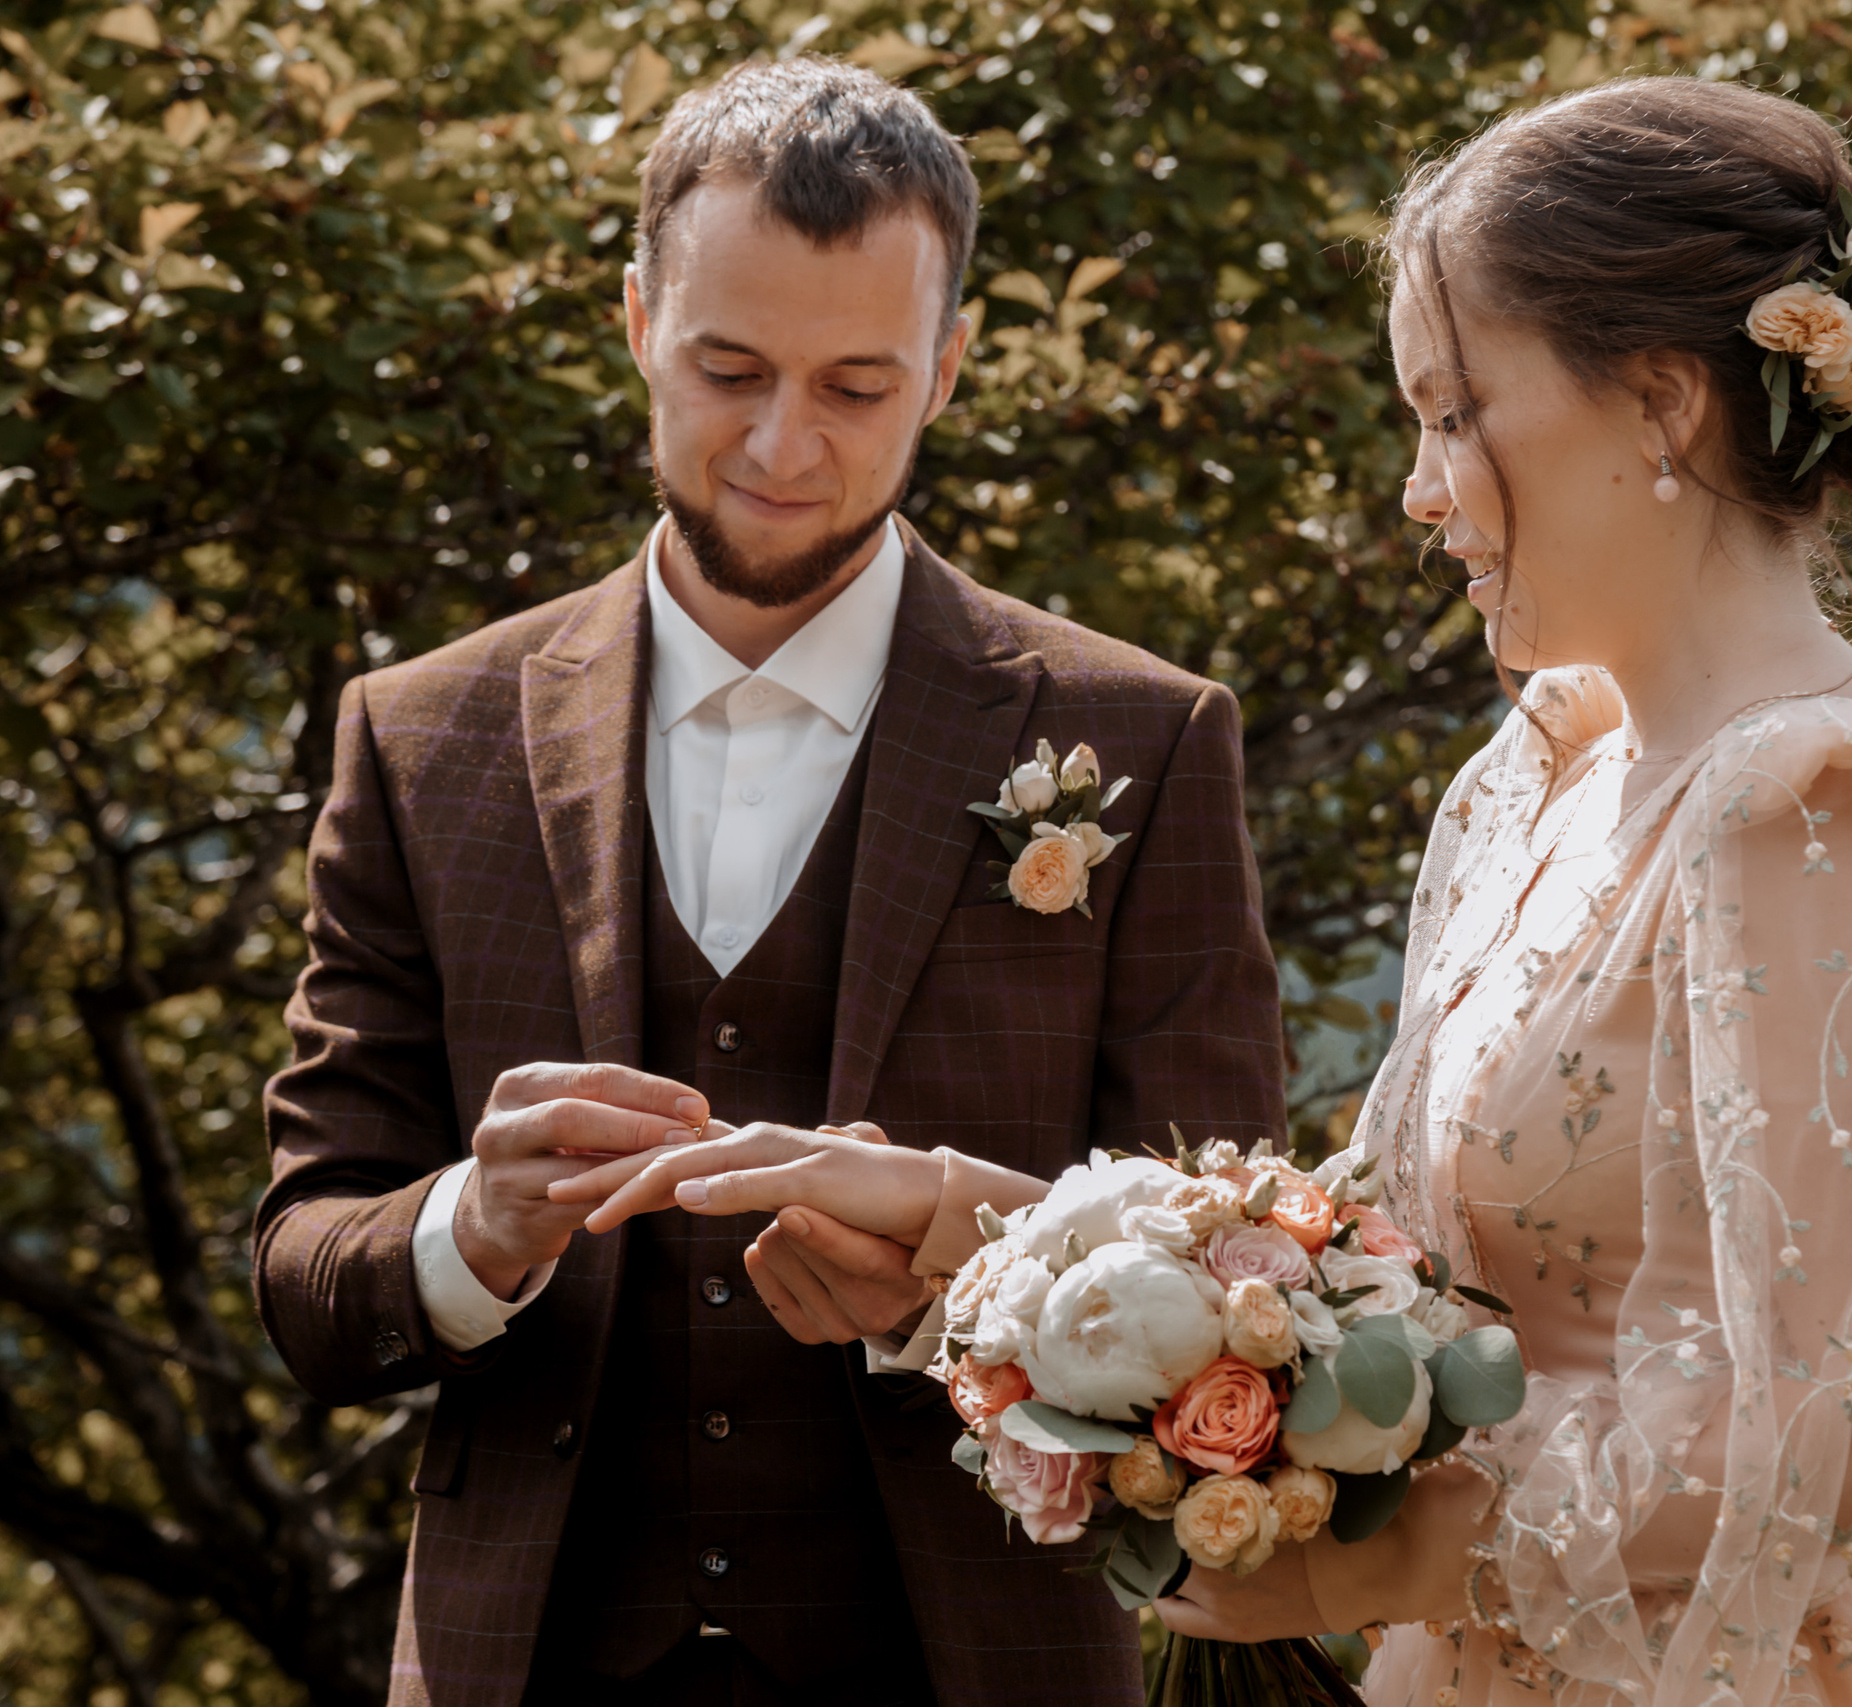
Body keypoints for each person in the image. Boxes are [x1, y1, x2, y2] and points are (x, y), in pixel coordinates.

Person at [586, 73, 1852, 1707]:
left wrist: (1388, 1553)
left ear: (1660, 404)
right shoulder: (1549, 770)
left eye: (1457, 414)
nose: (1423, 489)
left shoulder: (1814, 803)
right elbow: (1370, 1284)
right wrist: (964, 1237)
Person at [252, 57, 1285, 1707]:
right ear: (637, 322)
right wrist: (471, 1231)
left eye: (857, 386)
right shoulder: (424, 738)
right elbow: (308, 1279)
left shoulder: (1142, 741)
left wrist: (949, 1285)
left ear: (948, 369)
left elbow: (1237, 1280)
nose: (782, 444)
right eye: (727, 369)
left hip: (973, 1664)